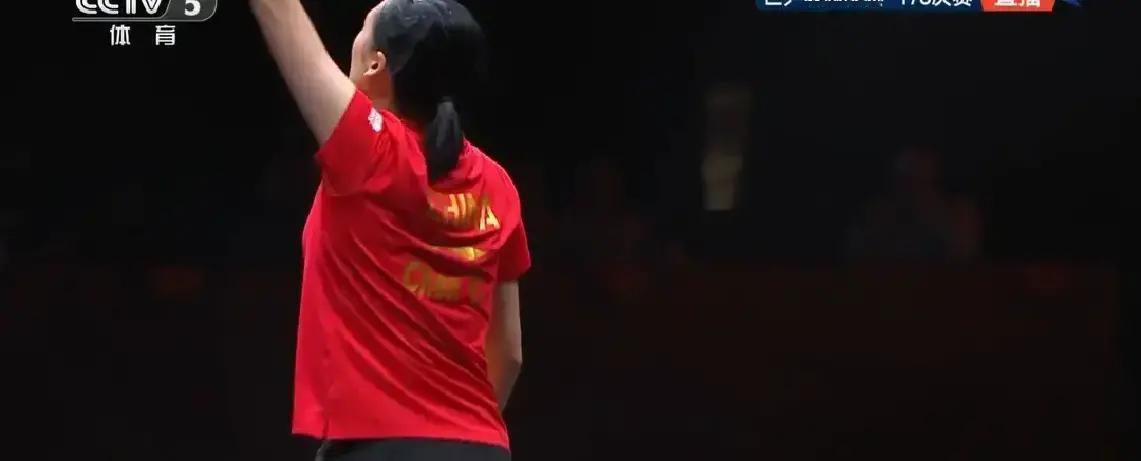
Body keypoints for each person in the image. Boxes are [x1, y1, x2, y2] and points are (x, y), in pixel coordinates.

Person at [251, 1, 530, 460]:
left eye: (363, 27)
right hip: (481, 447)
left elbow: (279, 13)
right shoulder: (498, 184)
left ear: (376, 64)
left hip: (379, 447)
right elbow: (510, 352)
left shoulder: (367, 148)